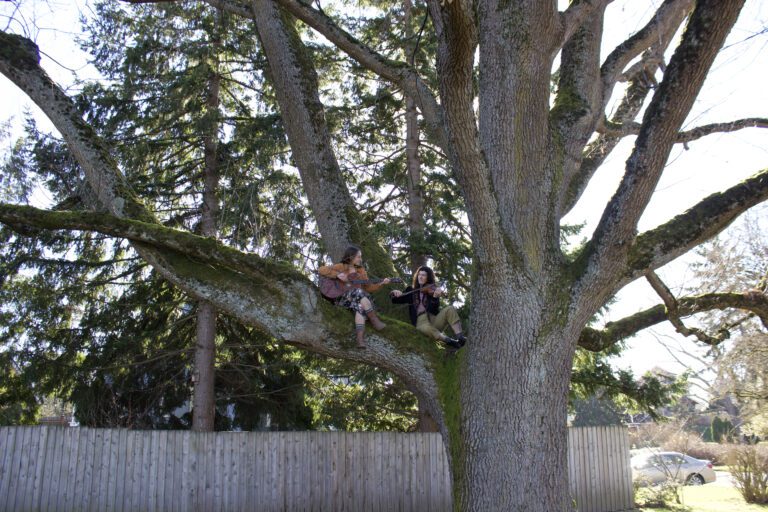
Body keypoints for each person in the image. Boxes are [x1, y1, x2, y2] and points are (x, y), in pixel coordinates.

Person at [318, 245, 391, 349]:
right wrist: (337, 275)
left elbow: (369, 288)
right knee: (358, 292)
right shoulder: (341, 266)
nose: (360, 259)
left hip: (355, 299)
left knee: (360, 305)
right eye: (359, 257)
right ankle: (374, 320)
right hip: (341, 298)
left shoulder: (361, 271)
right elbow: (321, 269)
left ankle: (360, 339)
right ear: (351, 257)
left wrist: (381, 283)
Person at [390, 266, 467, 349]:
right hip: (420, 321)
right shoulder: (411, 290)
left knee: (450, 309)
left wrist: (434, 297)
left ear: (428, 278)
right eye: (419, 274)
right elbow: (395, 300)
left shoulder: (432, 290)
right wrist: (393, 293)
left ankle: (460, 337)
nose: (420, 277)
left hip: (433, 319)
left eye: (424, 275)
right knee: (427, 329)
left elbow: (434, 310)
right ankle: (452, 342)